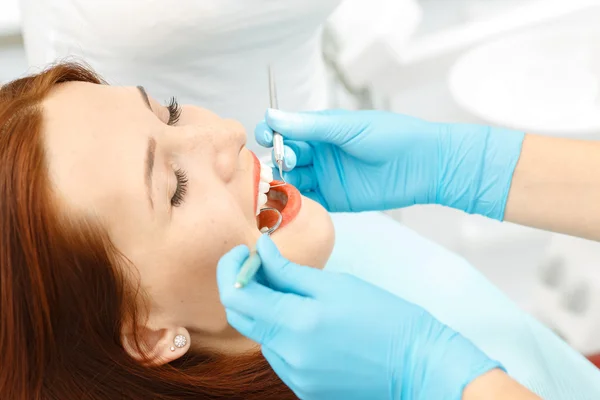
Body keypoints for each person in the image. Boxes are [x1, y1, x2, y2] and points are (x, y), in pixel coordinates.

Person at [216, 108, 600, 399]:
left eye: (172, 113)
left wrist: (466, 165)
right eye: (173, 189)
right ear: (154, 339)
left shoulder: (361, 239)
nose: (231, 133)